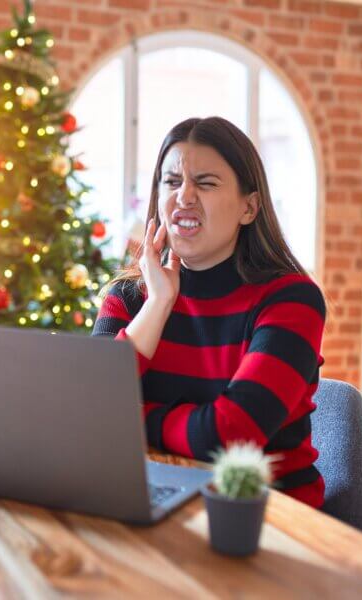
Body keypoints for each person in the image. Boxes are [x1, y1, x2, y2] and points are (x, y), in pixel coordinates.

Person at [93, 116, 326, 508]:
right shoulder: (128, 297)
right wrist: (158, 304)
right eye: (171, 181)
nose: (184, 196)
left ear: (249, 207)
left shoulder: (291, 300)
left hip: (267, 513)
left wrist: (128, 419)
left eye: (205, 183)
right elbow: (88, 405)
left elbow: (229, 435)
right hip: (149, 498)